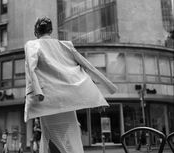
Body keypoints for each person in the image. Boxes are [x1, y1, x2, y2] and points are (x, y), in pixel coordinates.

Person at [24, 17, 117, 153]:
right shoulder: (65, 45)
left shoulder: (32, 45)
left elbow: (31, 70)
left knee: (51, 139)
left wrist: (38, 92)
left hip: (48, 102)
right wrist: (99, 97)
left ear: (36, 32)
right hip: (67, 101)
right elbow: (87, 66)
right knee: (71, 139)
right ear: (51, 30)